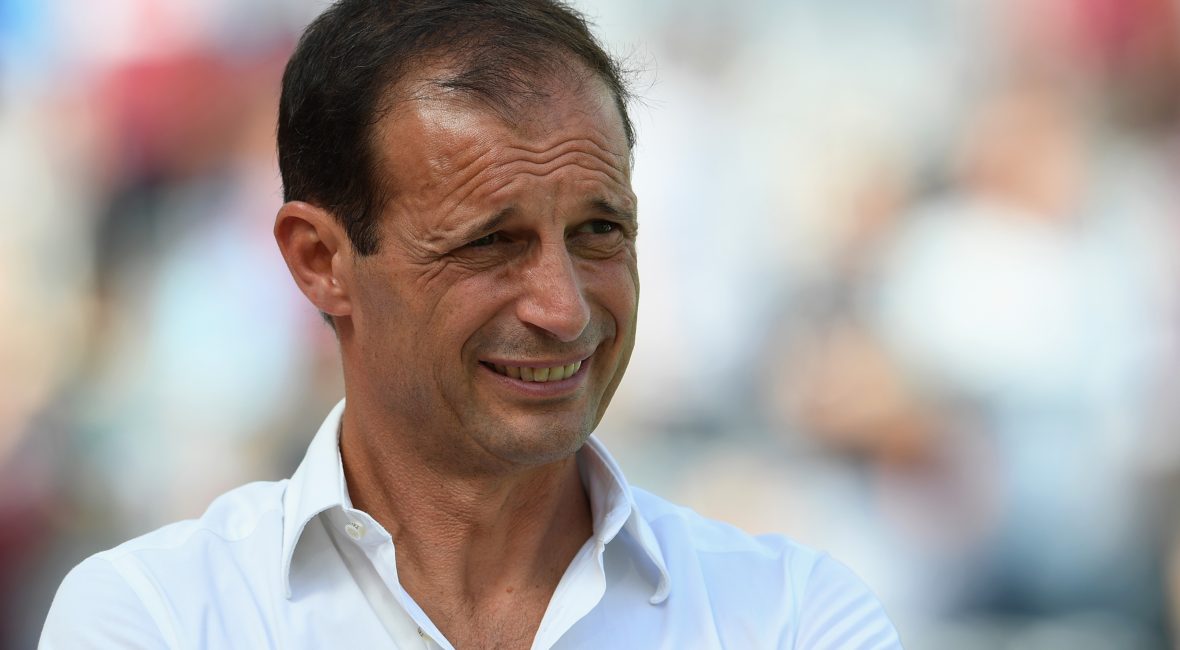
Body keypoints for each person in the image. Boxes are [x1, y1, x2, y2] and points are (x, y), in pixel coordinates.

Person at [40, 1, 902, 647]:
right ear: (320, 261)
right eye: (491, 243)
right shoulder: (157, 614)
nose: (563, 309)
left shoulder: (791, 613)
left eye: (600, 231)